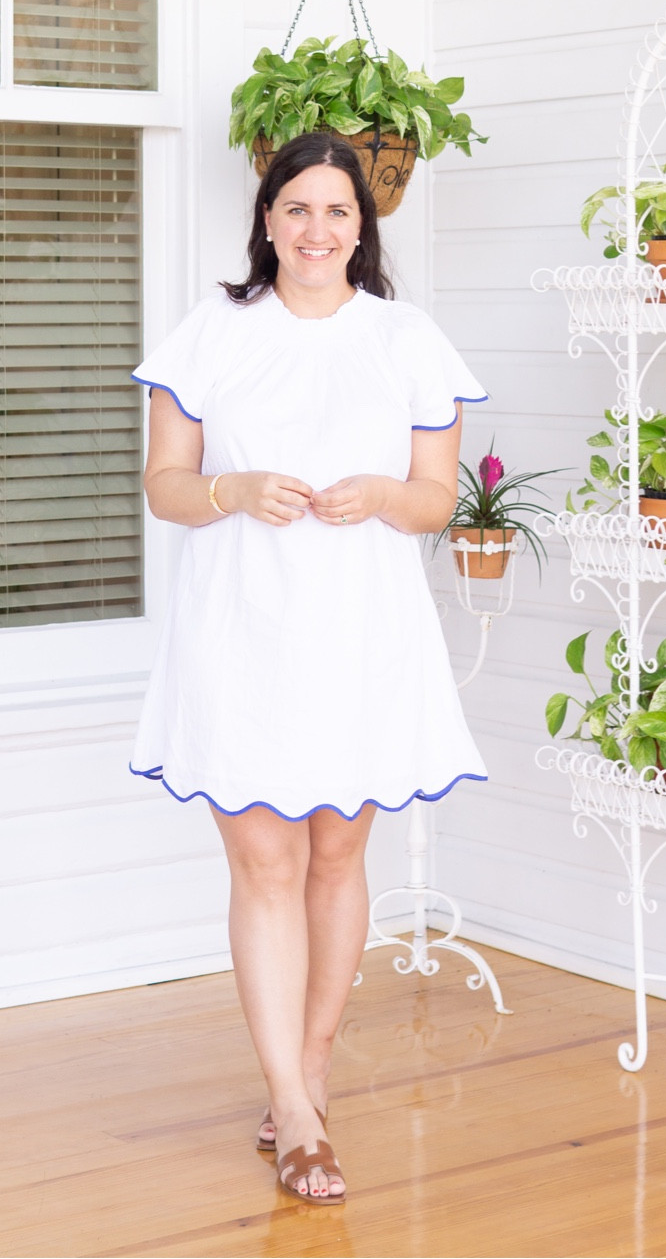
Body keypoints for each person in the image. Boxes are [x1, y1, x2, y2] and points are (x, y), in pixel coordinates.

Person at [130, 133, 488, 1206]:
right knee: (264, 865)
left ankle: (313, 1071)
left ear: (361, 227)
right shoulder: (213, 331)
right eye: (296, 208)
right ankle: (289, 1108)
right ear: (267, 220)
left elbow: (435, 498)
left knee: (335, 856)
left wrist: (380, 494)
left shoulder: (406, 338)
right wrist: (232, 491)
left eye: (337, 210)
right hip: (238, 630)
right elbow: (164, 483)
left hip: (360, 635)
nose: (316, 229)